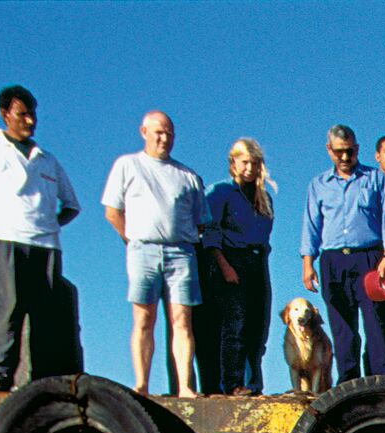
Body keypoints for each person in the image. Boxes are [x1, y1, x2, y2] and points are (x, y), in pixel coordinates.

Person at [0, 85, 80, 390]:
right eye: (22, 114)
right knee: (8, 308)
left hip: (46, 245)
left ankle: (44, 381)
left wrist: (51, 223)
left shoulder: (47, 160)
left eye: (33, 115)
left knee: (45, 316)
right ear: (5, 114)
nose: (29, 121)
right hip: (5, 239)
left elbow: (72, 205)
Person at [101, 110, 210, 396]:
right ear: (144, 132)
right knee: (144, 318)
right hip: (142, 250)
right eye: (159, 132)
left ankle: (185, 385)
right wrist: (133, 239)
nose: (164, 138)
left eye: (169, 133)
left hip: (181, 252)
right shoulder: (128, 165)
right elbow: (112, 212)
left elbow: (202, 221)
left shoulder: (187, 175)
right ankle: (142, 384)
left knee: (182, 320)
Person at [298, 124, 385, 384]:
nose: (345, 158)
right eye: (339, 153)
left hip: (370, 259)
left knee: (377, 326)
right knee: (343, 329)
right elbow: (311, 225)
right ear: (329, 151)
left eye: (350, 152)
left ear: (357, 149)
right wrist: (308, 263)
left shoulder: (376, 179)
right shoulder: (318, 185)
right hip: (333, 260)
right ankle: (348, 383)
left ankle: (384, 383)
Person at [203, 138, 275, 394]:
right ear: (233, 163)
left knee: (259, 325)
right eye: (244, 162)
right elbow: (211, 234)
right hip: (231, 260)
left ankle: (254, 383)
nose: (249, 168)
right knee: (236, 325)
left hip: (258, 262)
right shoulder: (219, 192)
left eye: (254, 163)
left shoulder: (263, 197)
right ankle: (232, 383)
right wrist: (224, 266)